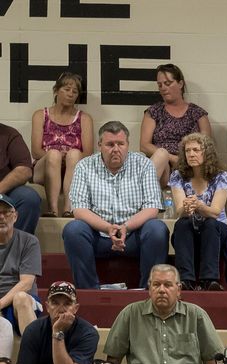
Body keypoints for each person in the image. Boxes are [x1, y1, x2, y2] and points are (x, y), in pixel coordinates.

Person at [64, 120, 168, 289]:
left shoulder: (144, 165)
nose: (116, 149)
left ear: (128, 144)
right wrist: (108, 228)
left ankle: (149, 290)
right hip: (99, 236)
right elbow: (79, 209)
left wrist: (125, 227)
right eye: (110, 144)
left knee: (157, 229)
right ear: (99, 145)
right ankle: (89, 292)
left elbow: (152, 207)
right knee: (73, 230)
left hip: (133, 236)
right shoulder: (84, 166)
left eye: (121, 144)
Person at [15, 281, 97, 364]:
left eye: (67, 303)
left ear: (75, 308)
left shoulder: (87, 333)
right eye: (55, 303)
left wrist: (57, 332)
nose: (61, 308)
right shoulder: (34, 329)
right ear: (47, 306)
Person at [168, 133, 227, 291]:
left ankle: (209, 280)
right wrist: (187, 207)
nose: (191, 154)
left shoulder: (220, 176)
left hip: (216, 229)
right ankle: (185, 280)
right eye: (187, 151)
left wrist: (199, 206)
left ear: (206, 152)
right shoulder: (178, 176)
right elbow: (179, 211)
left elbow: (215, 212)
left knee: (210, 223)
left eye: (196, 150)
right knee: (183, 223)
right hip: (191, 227)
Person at [31, 71, 92, 219]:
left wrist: (67, 157)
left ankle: (68, 209)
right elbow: (36, 152)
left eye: (75, 91)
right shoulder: (40, 115)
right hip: (45, 167)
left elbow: (88, 153)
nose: (70, 94)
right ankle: (52, 209)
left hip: (72, 167)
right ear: (56, 91)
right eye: (66, 89)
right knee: (53, 154)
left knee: (75, 153)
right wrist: (57, 156)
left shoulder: (84, 118)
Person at [139, 63, 212, 187]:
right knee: (161, 154)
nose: (163, 88)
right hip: (163, 167)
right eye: (160, 84)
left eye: (168, 83)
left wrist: (185, 160)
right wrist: (172, 158)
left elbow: (207, 146)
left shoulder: (198, 113)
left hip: (190, 166)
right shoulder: (153, 112)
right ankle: (140, 198)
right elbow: (144, 146)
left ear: (180, 84)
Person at [0, 191, 42, 335]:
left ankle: (34, 355)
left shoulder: (29, 241)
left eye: (6, 212)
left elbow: (26, 283)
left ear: (15, 216)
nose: (1, 217)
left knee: (21, 297)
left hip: (19, 302)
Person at [0, 119, 39, 234]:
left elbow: (24, 170)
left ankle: (16, 249)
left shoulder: (10, 134)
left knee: (28, 197)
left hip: (4, 192)